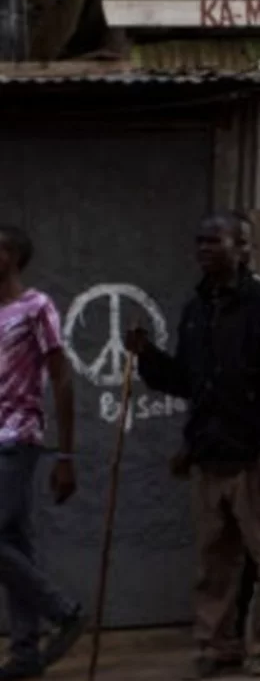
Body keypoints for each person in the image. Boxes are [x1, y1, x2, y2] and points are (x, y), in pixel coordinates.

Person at [128, 215, 260, 678]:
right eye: (199, 241)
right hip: (209, 454)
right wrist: (148, 357)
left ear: (242, 247)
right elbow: (189, 381)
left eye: (214, 241)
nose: (203, 249)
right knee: (214, 561)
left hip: (252, 454)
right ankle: (217, 643)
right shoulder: (196, 307)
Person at [0, 227, 83, 680]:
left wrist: (65, 456)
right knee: (14, 544)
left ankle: (63, 611)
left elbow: (62, 378)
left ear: (11, 256)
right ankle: (26, 653)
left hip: (18, 437)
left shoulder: (37, 307)